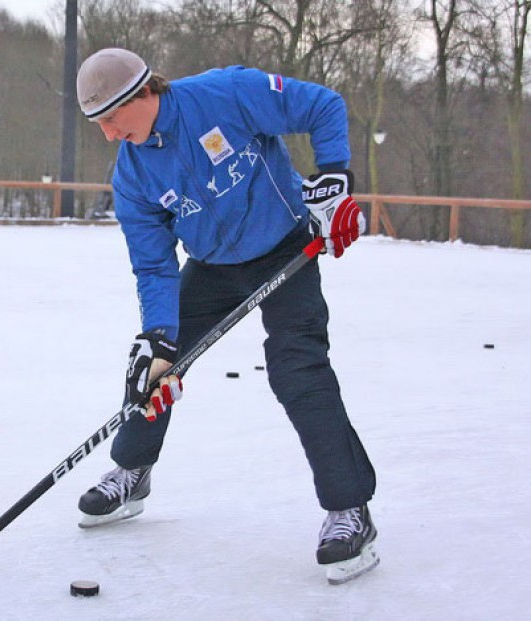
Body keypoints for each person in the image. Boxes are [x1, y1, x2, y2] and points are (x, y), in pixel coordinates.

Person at [74, 47, 378, 584]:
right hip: (212, 265)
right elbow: (154, 266)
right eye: (98, 125)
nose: (107, 134)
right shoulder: (132, 176)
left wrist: (332, 179)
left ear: (143, 94)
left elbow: (323, 106)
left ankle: (349, 509)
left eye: (111, 119)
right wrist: (163, 340)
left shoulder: (226, 94)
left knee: (297, 369)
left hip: (285, 247)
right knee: (150, 364)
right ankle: (132, 470)